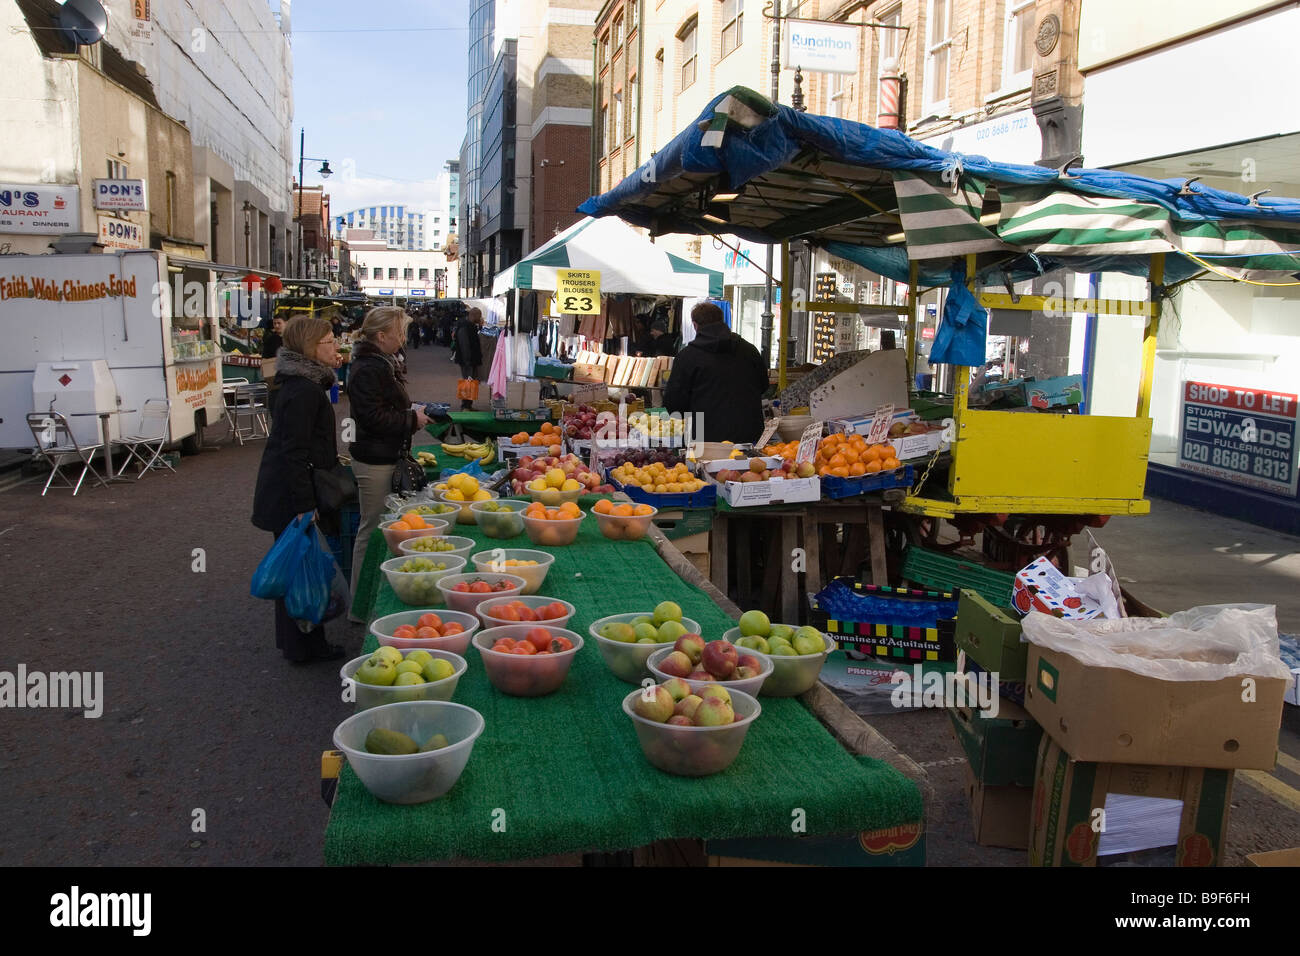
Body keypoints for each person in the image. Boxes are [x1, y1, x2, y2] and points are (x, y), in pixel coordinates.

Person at [251, 316, 346, 663]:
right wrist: (305, 503)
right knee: (297, 572)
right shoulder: (303, 390)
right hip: (290, 494)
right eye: (329, 341)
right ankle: (304, 646)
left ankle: (302, 644)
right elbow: (293, 452)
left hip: (289, 489)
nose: (335, 346)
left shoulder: (299, 382)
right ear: (310, 347)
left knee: (299, 568)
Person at [346, 306, 431, 619]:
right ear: (381, 336)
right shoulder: (370, 367)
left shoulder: (380, 363)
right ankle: (360, 604)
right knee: (371, 529)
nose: (403, 338)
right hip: (374, 459)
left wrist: (411, 413)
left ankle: (368, 596)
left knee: (377, 526)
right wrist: (411, 419)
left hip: (383, 454)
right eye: (399, 332)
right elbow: (372, 417)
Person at [663, 301, 767, 444]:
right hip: (749, 435)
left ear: (695, 325)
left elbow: (673, 402)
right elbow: (763, 385)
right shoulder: (749, 350)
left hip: (706, 439)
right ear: (722, 320)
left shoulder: (687, 357)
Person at [453, 307, 484, 410]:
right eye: (479, 316)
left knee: (470, 382)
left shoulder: (469, 326)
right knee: (468, 382)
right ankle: (465, 405)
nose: (480, 318)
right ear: (474, 315)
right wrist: (467, 361)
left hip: (470, 360)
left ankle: (468, 405)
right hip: (468, 360)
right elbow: (464, 345)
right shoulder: (465, 327)